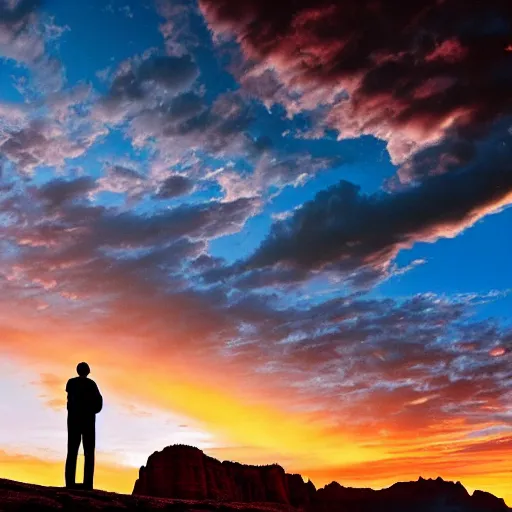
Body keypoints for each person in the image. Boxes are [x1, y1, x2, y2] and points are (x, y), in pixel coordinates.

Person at [65, 362, 103, 491]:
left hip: (75, 420)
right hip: (87, 421)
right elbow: (99, 404)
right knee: (88, 453)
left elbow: (69, 402)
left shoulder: (71, 383)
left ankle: (70, 483)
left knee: (72, 451)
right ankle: (87, 484)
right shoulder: (91, 385)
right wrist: (90, 410)